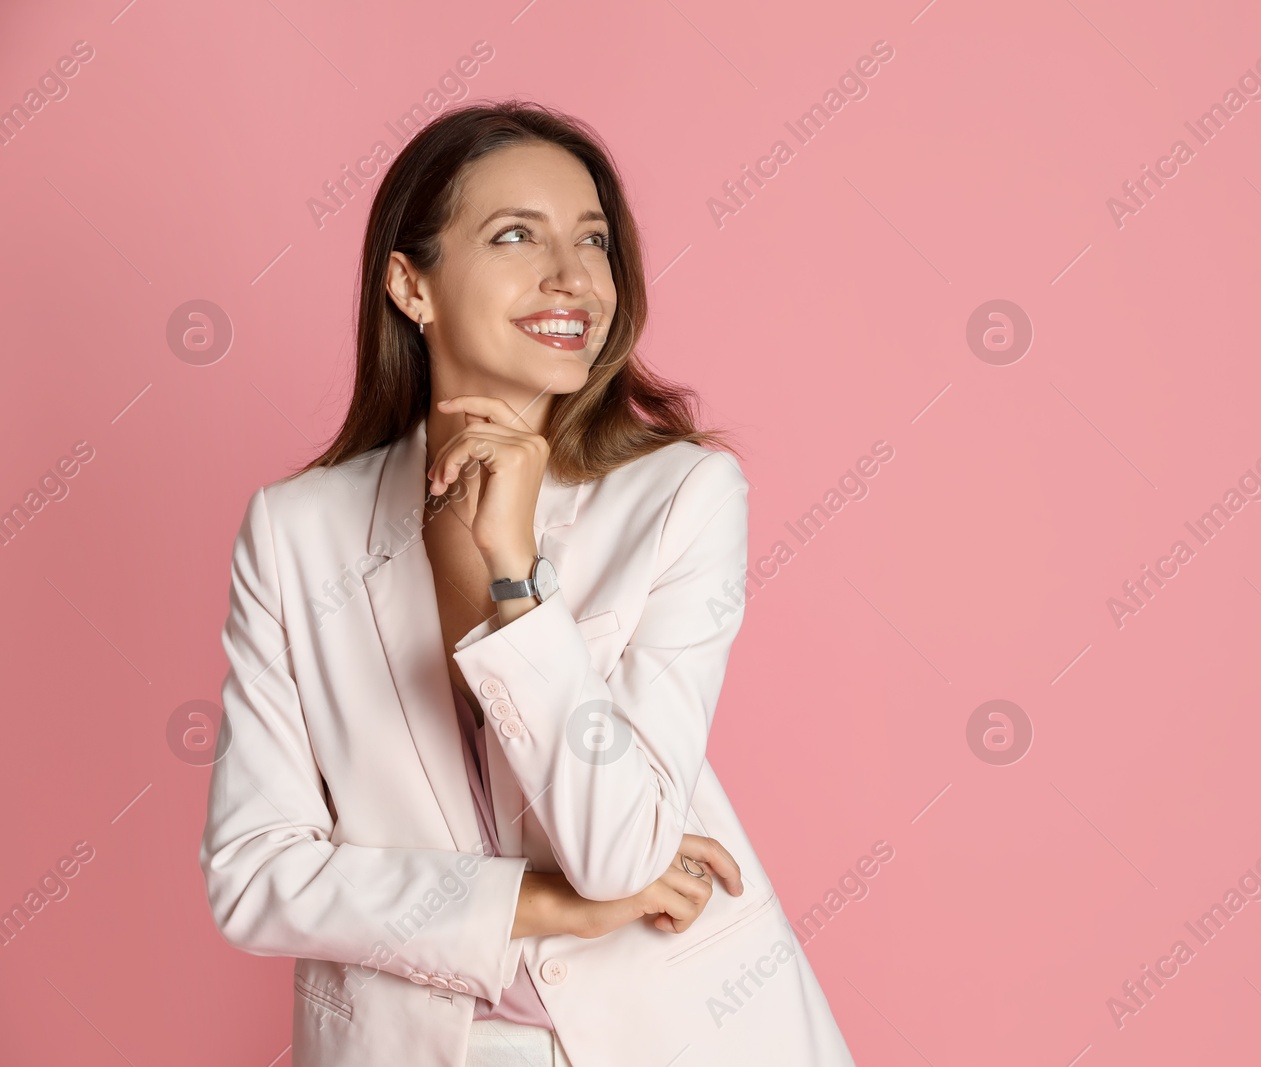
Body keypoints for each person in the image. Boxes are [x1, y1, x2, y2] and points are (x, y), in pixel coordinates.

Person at [198, 100, 857, 1067]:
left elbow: (619, 852)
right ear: (409, 285)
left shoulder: (682, 495)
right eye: (517, 235)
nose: (572, 277)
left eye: (594, 241)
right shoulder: (296, 532)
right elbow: (255, 876)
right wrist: (533, 906)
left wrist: (517, 578)